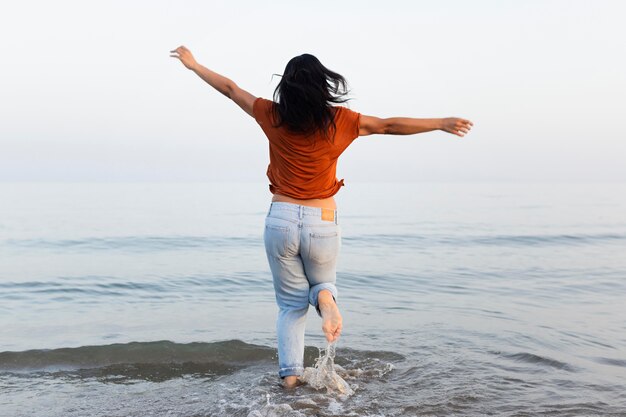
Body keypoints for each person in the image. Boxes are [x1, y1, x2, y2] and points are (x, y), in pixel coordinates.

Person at [170, 46, 473, 389]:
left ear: (286, 86)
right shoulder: (341, 121)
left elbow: (230, 89)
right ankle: (326, 300)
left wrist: (194, 66)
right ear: (322, 85)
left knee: (290, 307)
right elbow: (388, 126)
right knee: (321, 285)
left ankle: (289, 381)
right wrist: (440, 124)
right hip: (322, 220)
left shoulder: (271, 114)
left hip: (281, 219)